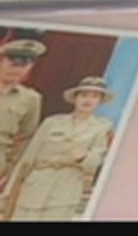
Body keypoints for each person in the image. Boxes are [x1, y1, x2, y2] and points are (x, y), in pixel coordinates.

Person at [2, 76, 114, 221]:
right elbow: (29, 156)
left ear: (100, 101)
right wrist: (11, 187)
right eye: (84, 95)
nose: (88, 100)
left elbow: (97, 161)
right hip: (36, 185)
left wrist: (84, 157)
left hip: (65, 191)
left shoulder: (102, 128)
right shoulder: (52, 122)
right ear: (75, 98)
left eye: (94, 96)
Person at [0, 38, 44, 192]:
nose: (16, 70)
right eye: (13, 64)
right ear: (2, 61)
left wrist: (10, 172)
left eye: (23, 66)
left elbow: (25, 138)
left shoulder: (31, 99)